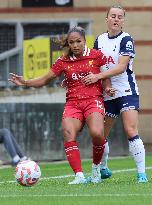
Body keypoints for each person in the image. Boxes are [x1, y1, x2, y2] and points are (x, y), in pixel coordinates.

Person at [9, 26, 115, 184]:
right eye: (72, 42)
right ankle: (79, 175)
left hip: (93, 100)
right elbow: (45, 79)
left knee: (97, 133)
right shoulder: (63, 61)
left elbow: (105, 78)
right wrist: (24, 82)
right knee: (68, 132)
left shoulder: (96, 56)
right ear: (68, 44)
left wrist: (107, 88)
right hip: (73, 103)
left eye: (78, 41)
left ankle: (96, 168)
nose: (75, 45)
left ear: (85, 41)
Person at [82, 5, 148, 183]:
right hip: (108, 92)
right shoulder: (99, 40)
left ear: (123, 20)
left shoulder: (126, 39)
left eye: (120, 16)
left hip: (126, 90)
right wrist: (105, 85)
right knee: (100, 134)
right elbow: (99, 66)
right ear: (107, 19)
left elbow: (121, 67)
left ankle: (141, 174)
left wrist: (98, 77)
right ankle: (102, 169)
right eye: (113, 16)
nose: (116, 19)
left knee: (130, 129)